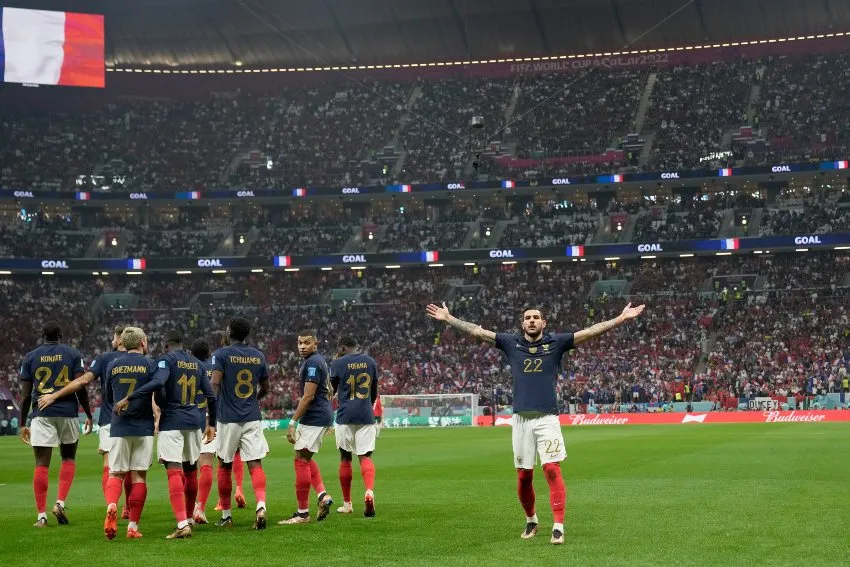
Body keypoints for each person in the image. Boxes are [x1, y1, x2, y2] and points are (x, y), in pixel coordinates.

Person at [425, 301, 645, 545]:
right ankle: (531, 520)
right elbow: (478, 332)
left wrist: (619, 319)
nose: (531, 320)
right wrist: (450, 318)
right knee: (523, 476)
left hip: (547, 417)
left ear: (543, 323)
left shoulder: (556, 342)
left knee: (551, 469)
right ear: (523, 324)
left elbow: (591, 331)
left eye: (536, 317)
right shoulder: (510, 343)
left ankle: (558, 527)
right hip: (520, 419)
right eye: (527, 318)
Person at [132, 330, 216, 539]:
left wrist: (131, 397)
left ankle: (181, 524)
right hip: (194, 422)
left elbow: (159, 383)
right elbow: (211, 396)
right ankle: (188, 518)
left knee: (174, 471)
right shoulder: (197, 364)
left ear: (166, 346)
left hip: (172, 421)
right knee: (191, 470)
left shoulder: (166, 360)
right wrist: (212, 424)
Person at [37, 325, 131, 512]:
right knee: (133, 468)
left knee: (110, 465)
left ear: (120, 339)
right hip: (138, 421)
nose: (112, 340)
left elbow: (83, 381)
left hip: (111, 418)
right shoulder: (145, 361)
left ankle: (111, 505)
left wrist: (55, 395)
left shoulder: (104, 358)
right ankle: (128, 508)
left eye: (114, 337)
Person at [18, 321, 91, 527]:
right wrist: (88, 414)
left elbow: (25, 396)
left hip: (42, 413)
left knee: (41, 463)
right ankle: (60, 503)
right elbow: (81, 387)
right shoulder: (73, 354)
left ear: (43, 336)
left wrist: (23, 423)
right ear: (61, 335)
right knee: (68, 458)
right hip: (68, 412)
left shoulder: (30, 357)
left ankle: (41, 516)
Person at [210, 317, 270, 529]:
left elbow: (215, 383)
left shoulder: (221, 354)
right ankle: (260, 506)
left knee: (224, 465)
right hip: (252, 417)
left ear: (229, 332)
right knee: (255, 464)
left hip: (228, 418)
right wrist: (254, 400)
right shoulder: (258, 355)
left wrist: (210, 413)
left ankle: (226, 515)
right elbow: (266, 387)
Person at [103, 327, 159, 540]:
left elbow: (108, 397)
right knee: (139, 476)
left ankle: (111, 505)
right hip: (143, 426)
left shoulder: (113, 364)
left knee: (116, 474)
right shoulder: (150, 364)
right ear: (143, 342)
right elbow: (157, 392)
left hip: (119, 426)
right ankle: (132, 527)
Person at [279, 330, 335, 525]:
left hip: (314, 417)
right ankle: (323, 496)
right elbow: (329, 389)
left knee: (301, 460)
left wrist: (292, 422)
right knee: (305, 457)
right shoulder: (319, 361)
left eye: (307, 343)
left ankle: (302, 514)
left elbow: (309, 396)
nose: (302, 346)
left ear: (315, 344)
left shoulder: (312, 363)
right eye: (300, 343)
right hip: (320, 415)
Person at [330, 336, 378, 517]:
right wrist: (367, 406)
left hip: (345, 415)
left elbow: (331, 391)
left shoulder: (338, 363)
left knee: (345, 458)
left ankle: (347, 503)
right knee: (365, 456)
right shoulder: (370, 362)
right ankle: (369, 491)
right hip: (366, 414)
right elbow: (374, 391)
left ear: (343, 347)